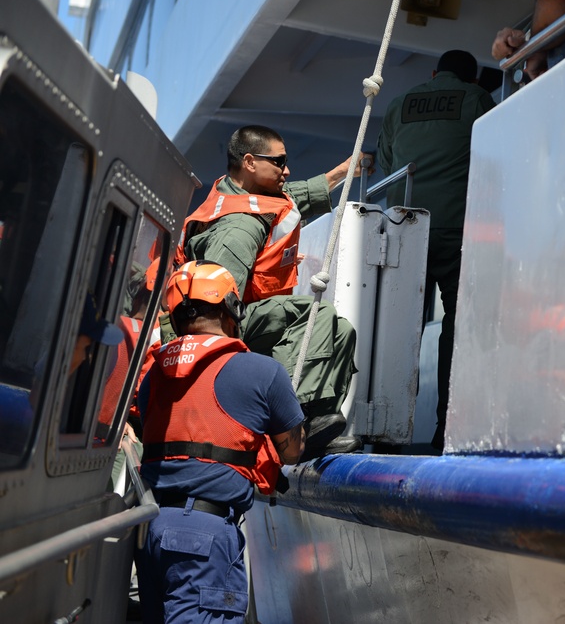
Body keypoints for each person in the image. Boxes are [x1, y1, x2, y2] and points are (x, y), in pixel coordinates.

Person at [178, 125, 369, 457]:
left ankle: (317, 425)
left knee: (342, 330)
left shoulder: (252, 196)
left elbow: (293, 199)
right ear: (250, 162)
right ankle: (290, 425)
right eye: (279, 162)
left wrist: (345, 169)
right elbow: (213, 307)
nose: (287, 169)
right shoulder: (237, 228)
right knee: (314, 315)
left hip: (246, 318)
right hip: (225, 326)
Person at [134, 260, 305, 623]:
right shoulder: (262, 370)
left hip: (149, 529)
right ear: (230, 309)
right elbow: (292, 450)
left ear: (177, 317)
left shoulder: (154, 375)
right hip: (204, 536)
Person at [376, 49, 496, 452]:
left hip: (404, 228)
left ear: (432, 74)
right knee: (457, 328)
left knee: (396, 329)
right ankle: (446, 429)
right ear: (472, 78)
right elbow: (492, 154)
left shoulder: (399, 104)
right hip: (457, 227)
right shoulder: (476, 99)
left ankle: (383, 430)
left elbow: (388, 162)